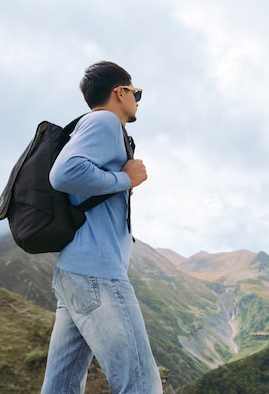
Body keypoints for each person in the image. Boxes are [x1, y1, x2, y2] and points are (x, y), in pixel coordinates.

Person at [40, 61, 163, 394]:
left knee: (61, 386)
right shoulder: (105, 121)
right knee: (142, 386)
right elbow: (62, 174)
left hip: (75, 275)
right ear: (119, 92)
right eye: (137, 92)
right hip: (98, 275)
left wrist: (119, 183)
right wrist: (125, 178)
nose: (138, 99)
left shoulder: (92, 126)